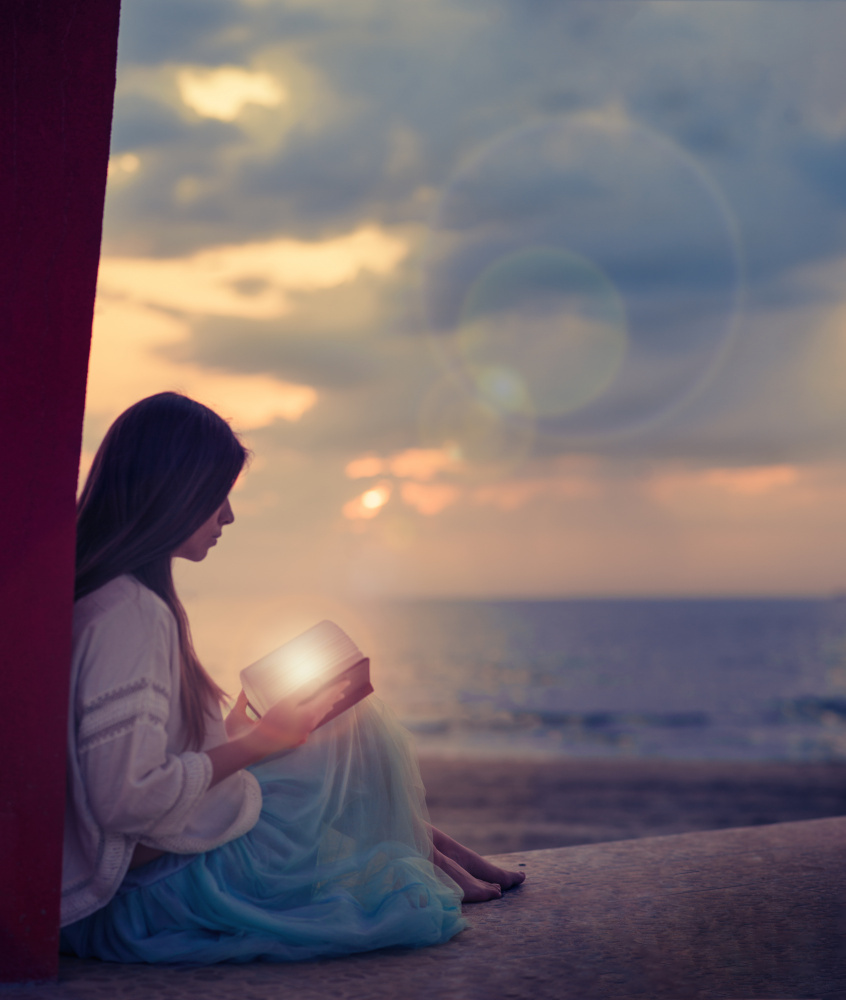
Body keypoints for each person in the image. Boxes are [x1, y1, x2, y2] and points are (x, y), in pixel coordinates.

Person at [60, 392, 524, 963]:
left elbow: (122, 763)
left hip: (143, 870)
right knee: (343, 722)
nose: (227, 515)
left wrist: (232, 733)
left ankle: (436, 852)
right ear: (173, 491)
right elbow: (125, 800)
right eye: (217, 495)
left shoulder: (102, 593)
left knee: (330, 712)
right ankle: (434, 857)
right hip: (150, 893)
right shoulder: (132, 613)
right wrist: (257, 742)